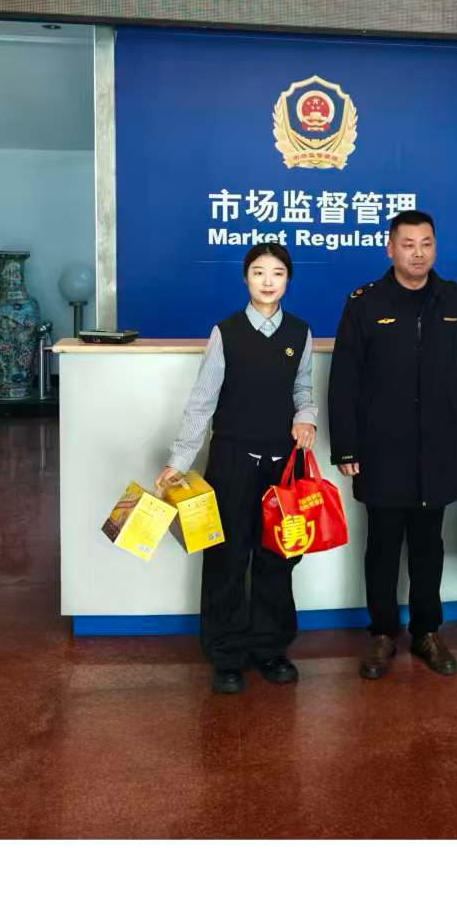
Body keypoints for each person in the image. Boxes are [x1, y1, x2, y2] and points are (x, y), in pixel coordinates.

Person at [330, 210, 457, 680]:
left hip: (439, 446)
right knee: (381, 545)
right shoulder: (364, 303)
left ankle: (427, 631)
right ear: (390, 249)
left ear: (435, 247)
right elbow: (345, 381)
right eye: (408, 244)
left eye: (426, 243)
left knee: (427, 545)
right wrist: (347, 448)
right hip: (382, 448)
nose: (418, 253)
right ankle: (382, 634)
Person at [157, 242, 317, 695]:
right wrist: (178, 461)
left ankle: (271, 649)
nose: (268, 281)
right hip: (231, 462)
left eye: (277, 273)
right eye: (259, 272)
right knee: (226, 559)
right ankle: (226, 655)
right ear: (246, 278)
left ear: (288, 280)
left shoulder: (300, 332)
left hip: (282, 468)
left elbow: (303, 388)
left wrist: (306, 418)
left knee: (277, 557)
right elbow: (202, 402)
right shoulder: (225, 332)